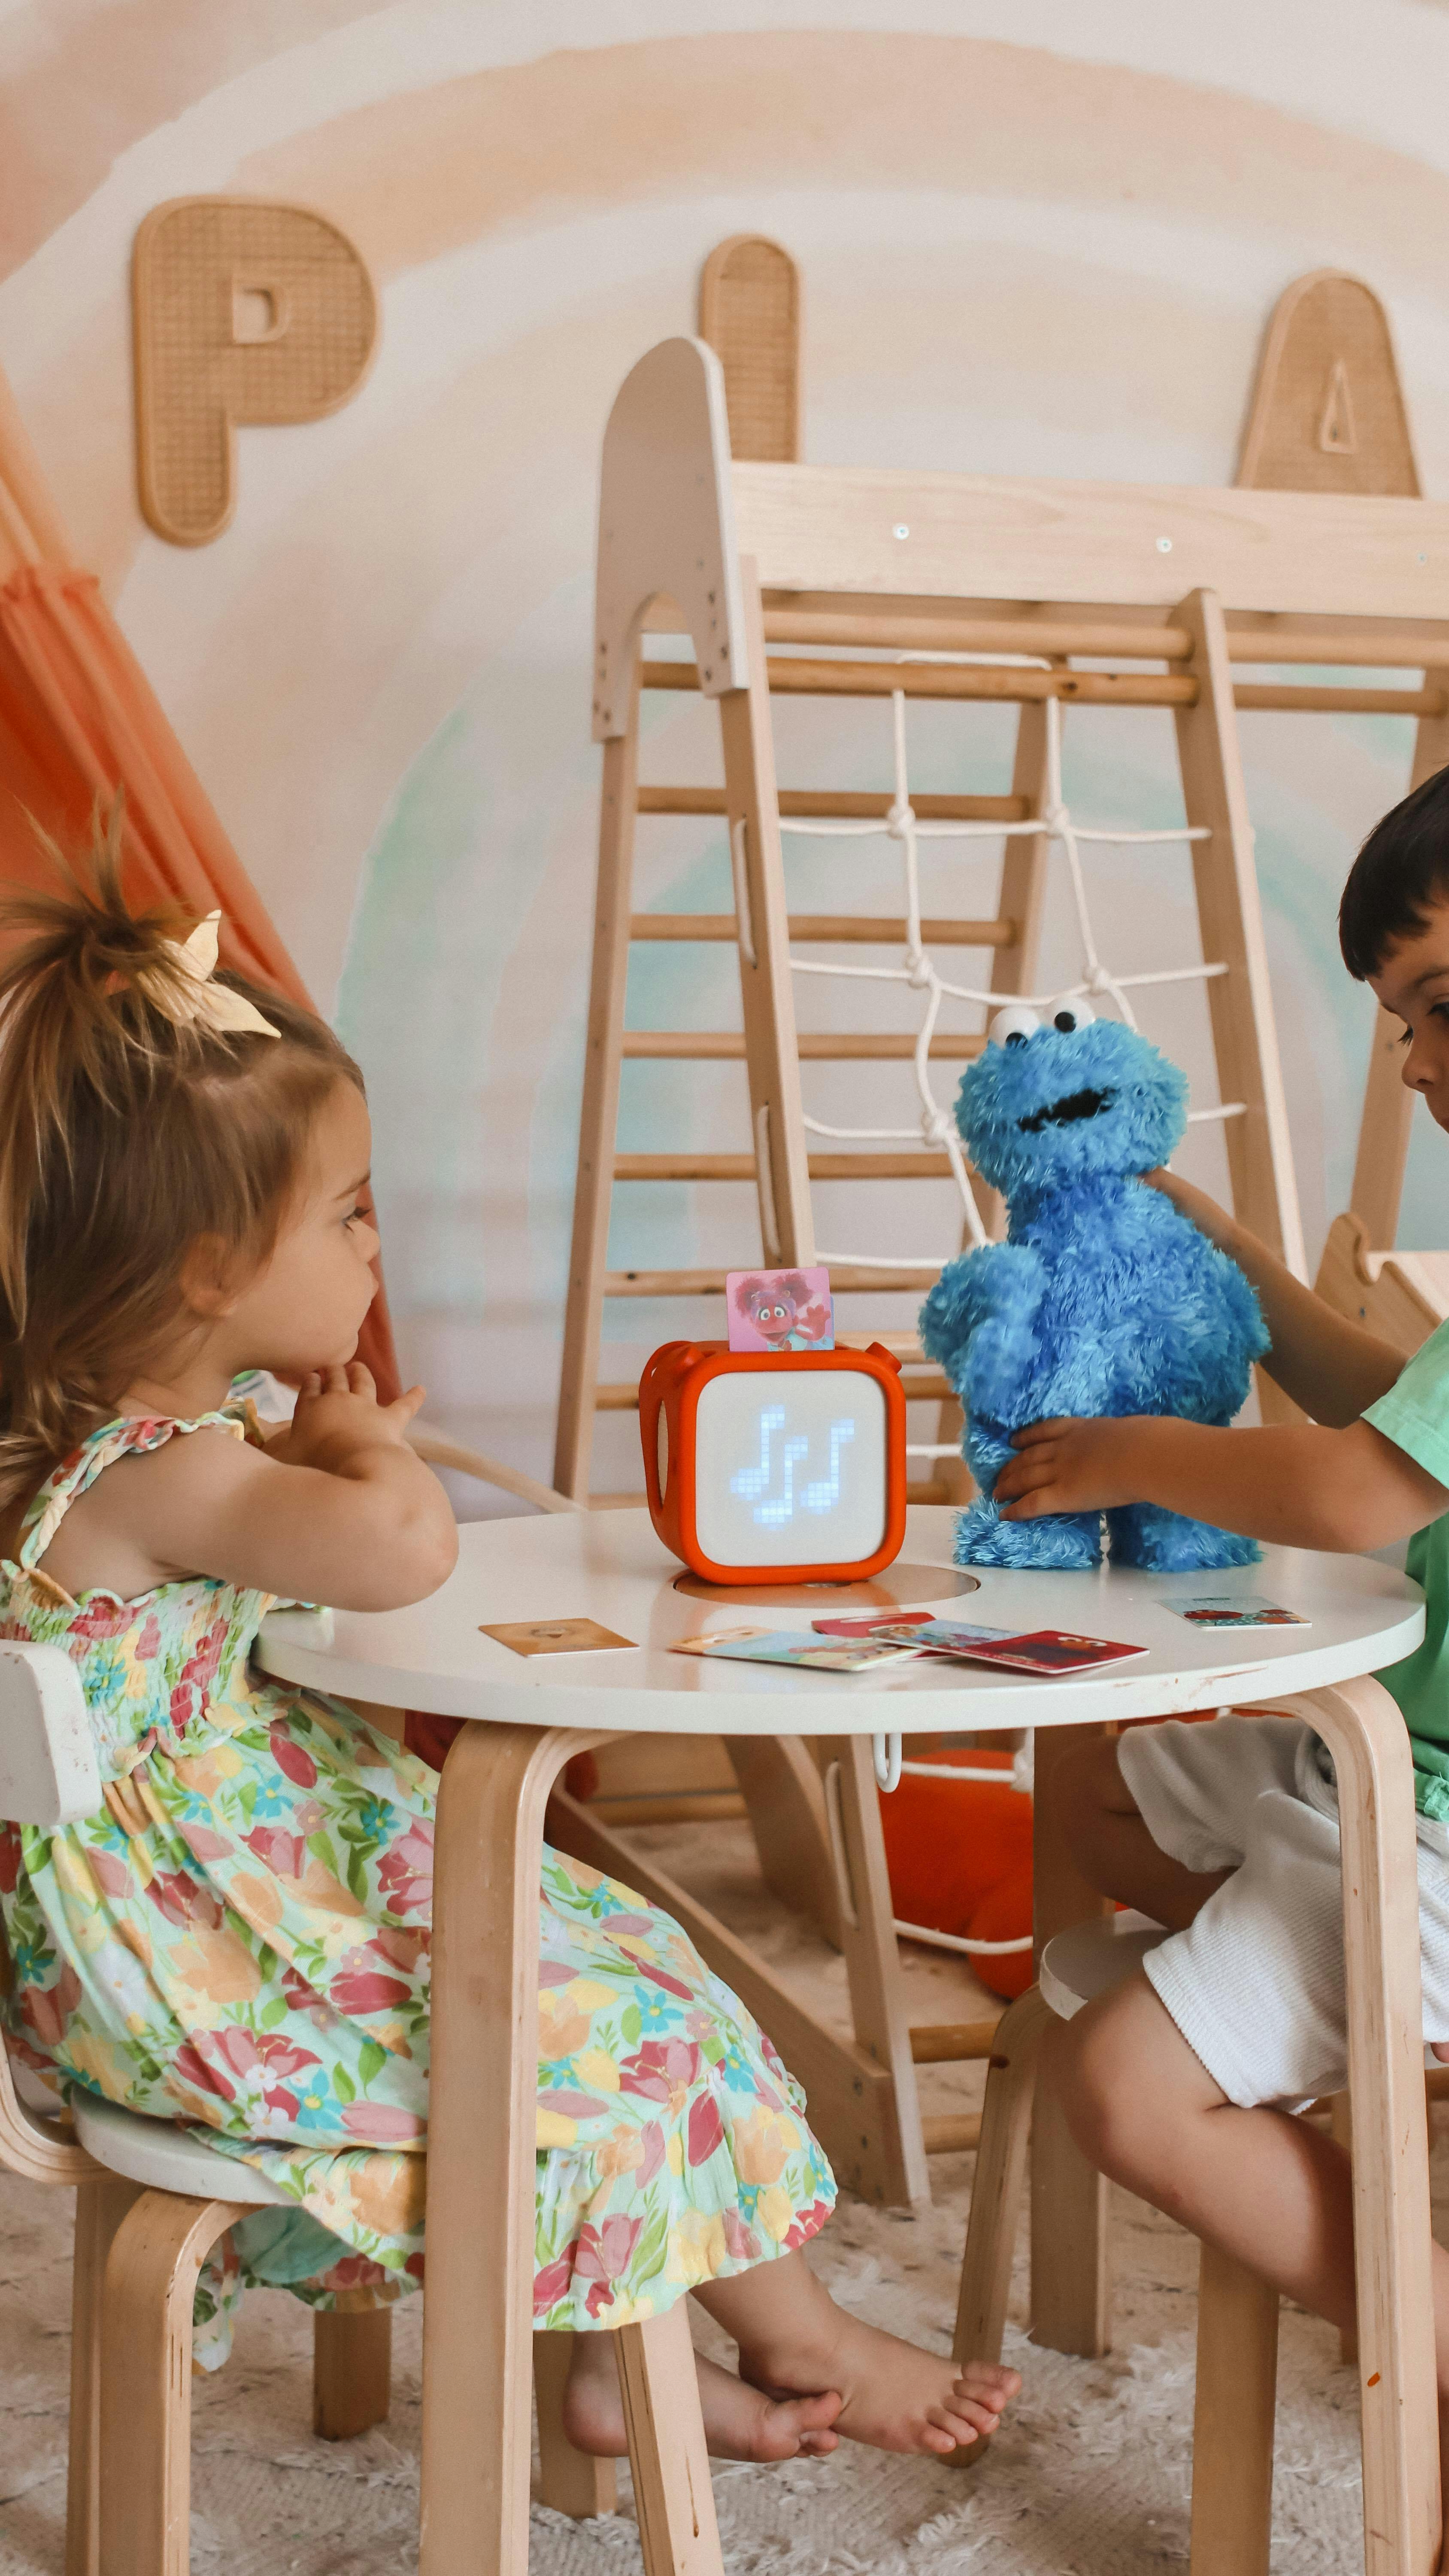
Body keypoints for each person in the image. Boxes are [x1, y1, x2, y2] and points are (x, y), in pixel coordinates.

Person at [0, 814, 1017, 2464]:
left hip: (194, 1907)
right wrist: (369, 1451)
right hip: (213, 1949)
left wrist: (306, 1448)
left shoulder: (128, 1448)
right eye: (348, 1216)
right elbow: (399, 1555)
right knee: (619, 2012)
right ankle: (796, 2337)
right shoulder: (177, 1466)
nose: (373, 1248)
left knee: (611, 1962)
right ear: (206, 1272)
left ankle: (628, 2363)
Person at [990, 762, 1449, 2531]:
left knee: (1126, 2091)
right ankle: (1313, 2008)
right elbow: (1374, 1405)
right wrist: (1224, 1258)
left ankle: (1416, 2323)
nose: (1410, 1067)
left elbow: (1350, 1497)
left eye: (1432, 1011)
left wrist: (1125, 1457)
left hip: (1425, 1831)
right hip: (1375, 1771)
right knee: (1099, 1798)